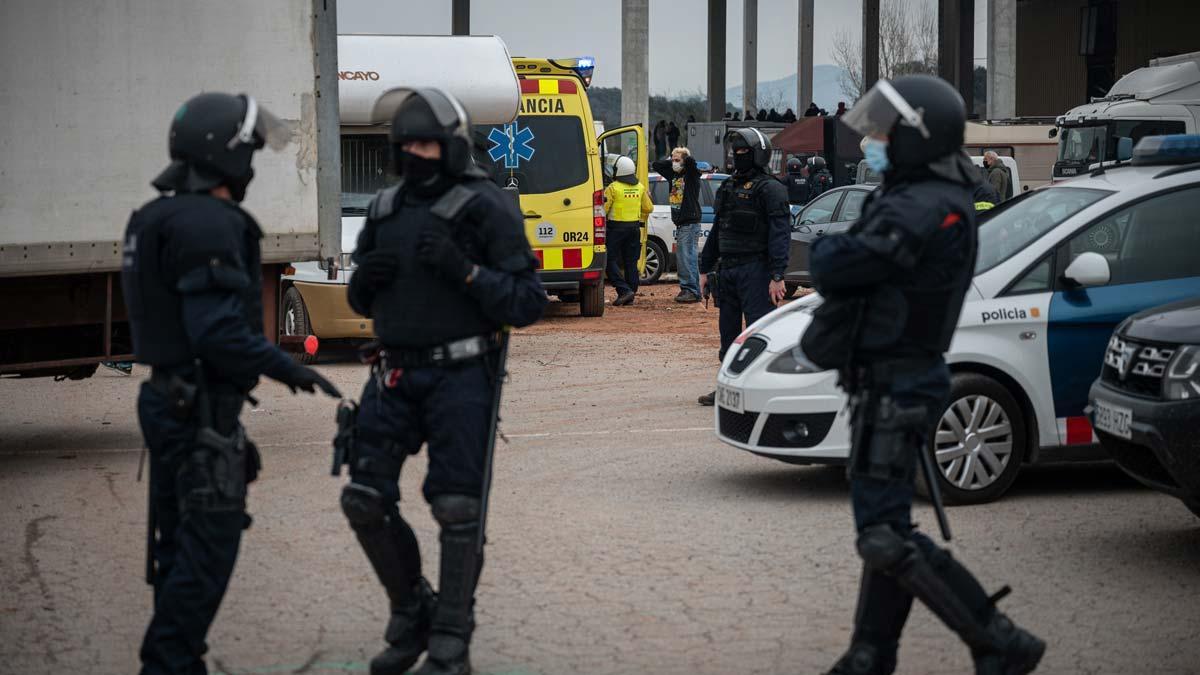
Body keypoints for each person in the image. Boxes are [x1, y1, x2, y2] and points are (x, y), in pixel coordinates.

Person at [807, 75, 1044, 675]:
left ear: (918, 136)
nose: (875, 141)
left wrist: (833, 251)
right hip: (886, 378)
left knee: (884, 538)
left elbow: (839, 262)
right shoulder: (918, 190)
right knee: (885, 532)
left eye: (887, 131)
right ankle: (870, 654)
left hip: (901, 380)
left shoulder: (926, 204)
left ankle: (999, 640)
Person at [122, 92, 342, 675]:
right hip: (196, 409)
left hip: (168, 398)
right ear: (225, 154)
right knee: (209, 546)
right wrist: (288, 368)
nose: (251, 162)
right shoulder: (210, 223)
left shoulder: (152, 217)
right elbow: (216, 332)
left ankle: (179, 661)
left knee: (179, 545)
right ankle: (167, 661)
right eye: (249, 150)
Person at [343, 88, 547, 675]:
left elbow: (527, 303)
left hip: (462, 375)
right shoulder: (383, 210)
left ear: (452, 147)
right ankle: (411, 613)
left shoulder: (486, 207)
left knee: (457, 506)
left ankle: (452, 639)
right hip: (393, 370)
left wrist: (465, 271)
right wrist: (365, 285)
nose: (417, 154)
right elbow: (365, 296)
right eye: (406, 144)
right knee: (364, 497)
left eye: (427, 143)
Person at [697, 129, 791, 405]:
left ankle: (762, 388)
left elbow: (780, 234)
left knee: (759, 333)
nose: (738, 158)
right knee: (728, 334)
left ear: (758, 155)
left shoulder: (771, 189)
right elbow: (718, 230)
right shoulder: (728, 187)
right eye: (735, 153)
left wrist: (777, 275)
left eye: (744, 153)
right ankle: (728, 388)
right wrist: (705, 269)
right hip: (727, 271)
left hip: (757, 271)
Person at [653, 147, 703, 303]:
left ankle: (690, 289)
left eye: (677, 160)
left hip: (690, 222)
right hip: (682, 223)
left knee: (685, 257)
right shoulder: (673, 175)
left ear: (684, 161)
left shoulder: (691, 176)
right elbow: (656, 165)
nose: (674, 163)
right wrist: (672, 159)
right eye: (672, 160)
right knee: (688, 257)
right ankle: (693, 290)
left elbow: (692, 164)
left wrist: (685, 158)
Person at [603, 155, 654, 306]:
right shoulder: (640, 187)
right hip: (634, 229)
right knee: (631, 262)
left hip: (616, 229)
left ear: (618, 171)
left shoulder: (612, 188)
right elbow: (649, 208)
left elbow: (603, 210)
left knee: (609, 260)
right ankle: (630, 293)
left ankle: (624, 290)